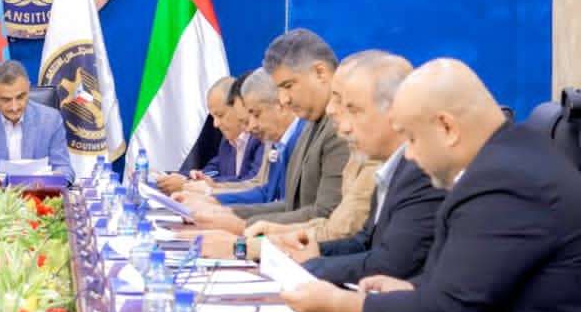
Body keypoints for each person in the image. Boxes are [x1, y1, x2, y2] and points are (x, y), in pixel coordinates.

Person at [280, 59, 581, 312]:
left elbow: (450, 311)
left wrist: (338, 305)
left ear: (447, 128)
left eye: (411, 138)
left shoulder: (504, 180)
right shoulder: (511, 157)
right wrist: (414, 289)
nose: (408, 155)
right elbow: (474, 278)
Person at [271, 53, 444, 285]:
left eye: (354, 111)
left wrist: (310, 266)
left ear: (395, 112)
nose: (344, 127)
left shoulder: (421, 172)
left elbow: (392, 265)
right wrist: (315, 249)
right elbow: (365, 241)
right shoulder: (391, 166)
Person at [178, 30, 349, 234]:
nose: (284, 99)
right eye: (280, 89)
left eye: (288, 86)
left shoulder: (339, 130)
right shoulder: (311, 125)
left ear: (320, 73)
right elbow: (290, 206)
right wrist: (226, 212)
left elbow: (325, 214)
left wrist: (240, 224)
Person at [0, 60, 73, 184]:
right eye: (6, 100)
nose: (14, 107)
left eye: (20, 97)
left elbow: (65, 169)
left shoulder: (50, 119)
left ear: (28, 88)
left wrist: (56, 177)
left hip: (39, 194)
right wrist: (0, 181)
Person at [157, 75, 264, 194]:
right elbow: (213, 170)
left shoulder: (260, 139)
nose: (215, 124)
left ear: (239, 107)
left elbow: (251, 183)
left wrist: (188, 184)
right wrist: (189, 178)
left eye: (220, 115)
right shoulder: (227, 142)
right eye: (213, 117)